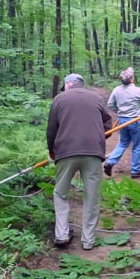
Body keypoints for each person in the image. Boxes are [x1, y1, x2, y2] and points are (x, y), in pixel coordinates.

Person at [46, 73, 113, 250]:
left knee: (60, 193)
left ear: (68, 84)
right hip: (93, 152)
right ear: (81, 85)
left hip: (65, 152)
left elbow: (51, 130)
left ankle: (61, 234)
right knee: (92, 195)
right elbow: (108, 126)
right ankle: (88, 240)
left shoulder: (58, 99)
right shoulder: (96, 98)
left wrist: (52, 150)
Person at [103, 67, 140, 179]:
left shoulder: (116, 90)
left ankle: (110, 162)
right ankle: (135, 171)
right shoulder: (137, 90)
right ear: (131, 79)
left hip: (122, 120)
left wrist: (119, 111)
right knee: (138, 145)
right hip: (135, 121)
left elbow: (110, 104)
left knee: (123, 143)